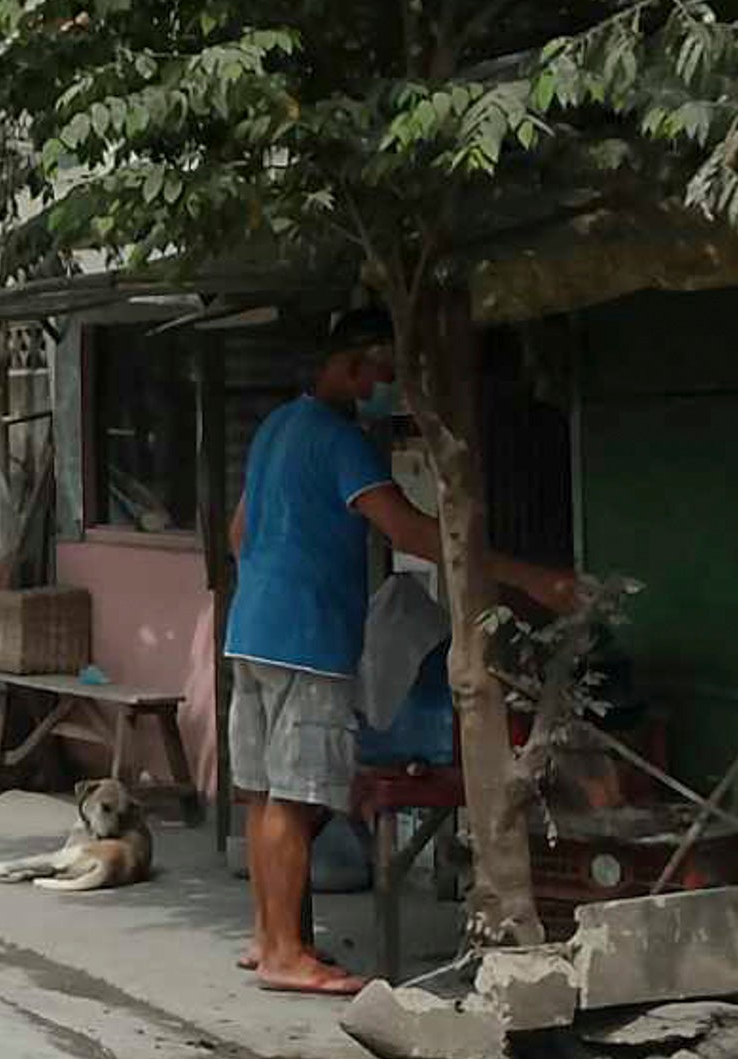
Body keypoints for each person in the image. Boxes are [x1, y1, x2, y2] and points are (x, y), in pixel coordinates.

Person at [225, 309, 578, 997]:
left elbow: (240, 532)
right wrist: (527, 575)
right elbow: (411, 532)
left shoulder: (275, 427)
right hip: (306, 637)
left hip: (251, 629)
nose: (385, 380)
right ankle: (286, 954)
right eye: (379, 366)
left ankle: (268, 937)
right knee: (296, 799)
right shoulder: (341, 440)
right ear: (349, 366)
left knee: (265, 793)